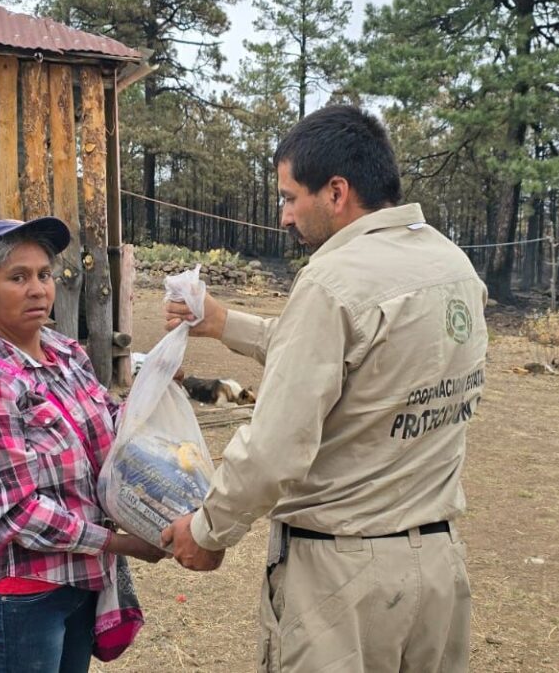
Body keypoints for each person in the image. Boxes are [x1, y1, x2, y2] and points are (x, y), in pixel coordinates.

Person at [159, 105, 488, 672]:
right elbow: (353, 359)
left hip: (343, 577)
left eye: (290, 198)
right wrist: (222, 322)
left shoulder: (332, 281)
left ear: (337, 192)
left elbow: (272, 451)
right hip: (438, 566)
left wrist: (208, 531)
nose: (284, 216)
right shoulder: (450, 264)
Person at [0, 217, 163, 673]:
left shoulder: (65, 354)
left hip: (79, 580)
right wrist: (119, 542)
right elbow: (15, 512)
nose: (38, 289)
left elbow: (111, 426)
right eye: (18, 277)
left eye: (44, 274)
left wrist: (156, 393)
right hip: (23, 595)